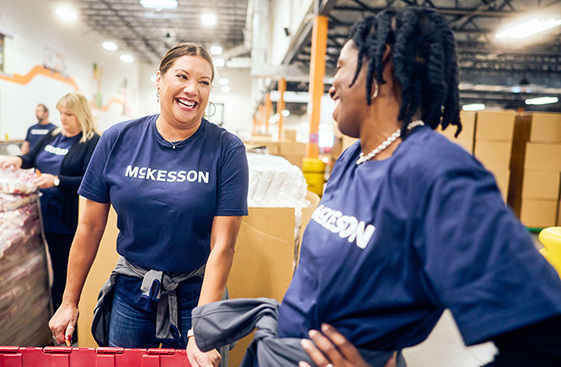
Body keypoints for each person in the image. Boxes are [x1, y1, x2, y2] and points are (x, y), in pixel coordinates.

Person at [271, 7, 561, 367]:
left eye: (341, 68)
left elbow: (547, 344)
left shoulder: (440, 174)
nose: (330, 87)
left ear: (381, 66)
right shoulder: (351, 160)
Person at [48, 42, 248, 367]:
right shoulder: (118, 139)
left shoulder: (227, 149)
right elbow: (89, 225)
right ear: (159, 79)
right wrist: (69, 301)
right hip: (131, 291)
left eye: (204, 81)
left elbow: (223, 245)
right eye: (182, 76)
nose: (192, 89)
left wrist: (203, 327)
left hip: (197, 294)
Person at [1, 92, 100, 315]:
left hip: (69, 217)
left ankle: (70, 322)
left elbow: (90, 180)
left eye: (68, 114)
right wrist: (17, 160)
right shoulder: (54, 134)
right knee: (53, 268)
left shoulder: (92, 141)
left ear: (82, 115)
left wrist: (56, 180)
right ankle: (55, 316)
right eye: (60, 113)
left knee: (68, 272)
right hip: (44, 214)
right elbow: (32, 157)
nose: (62, 119)